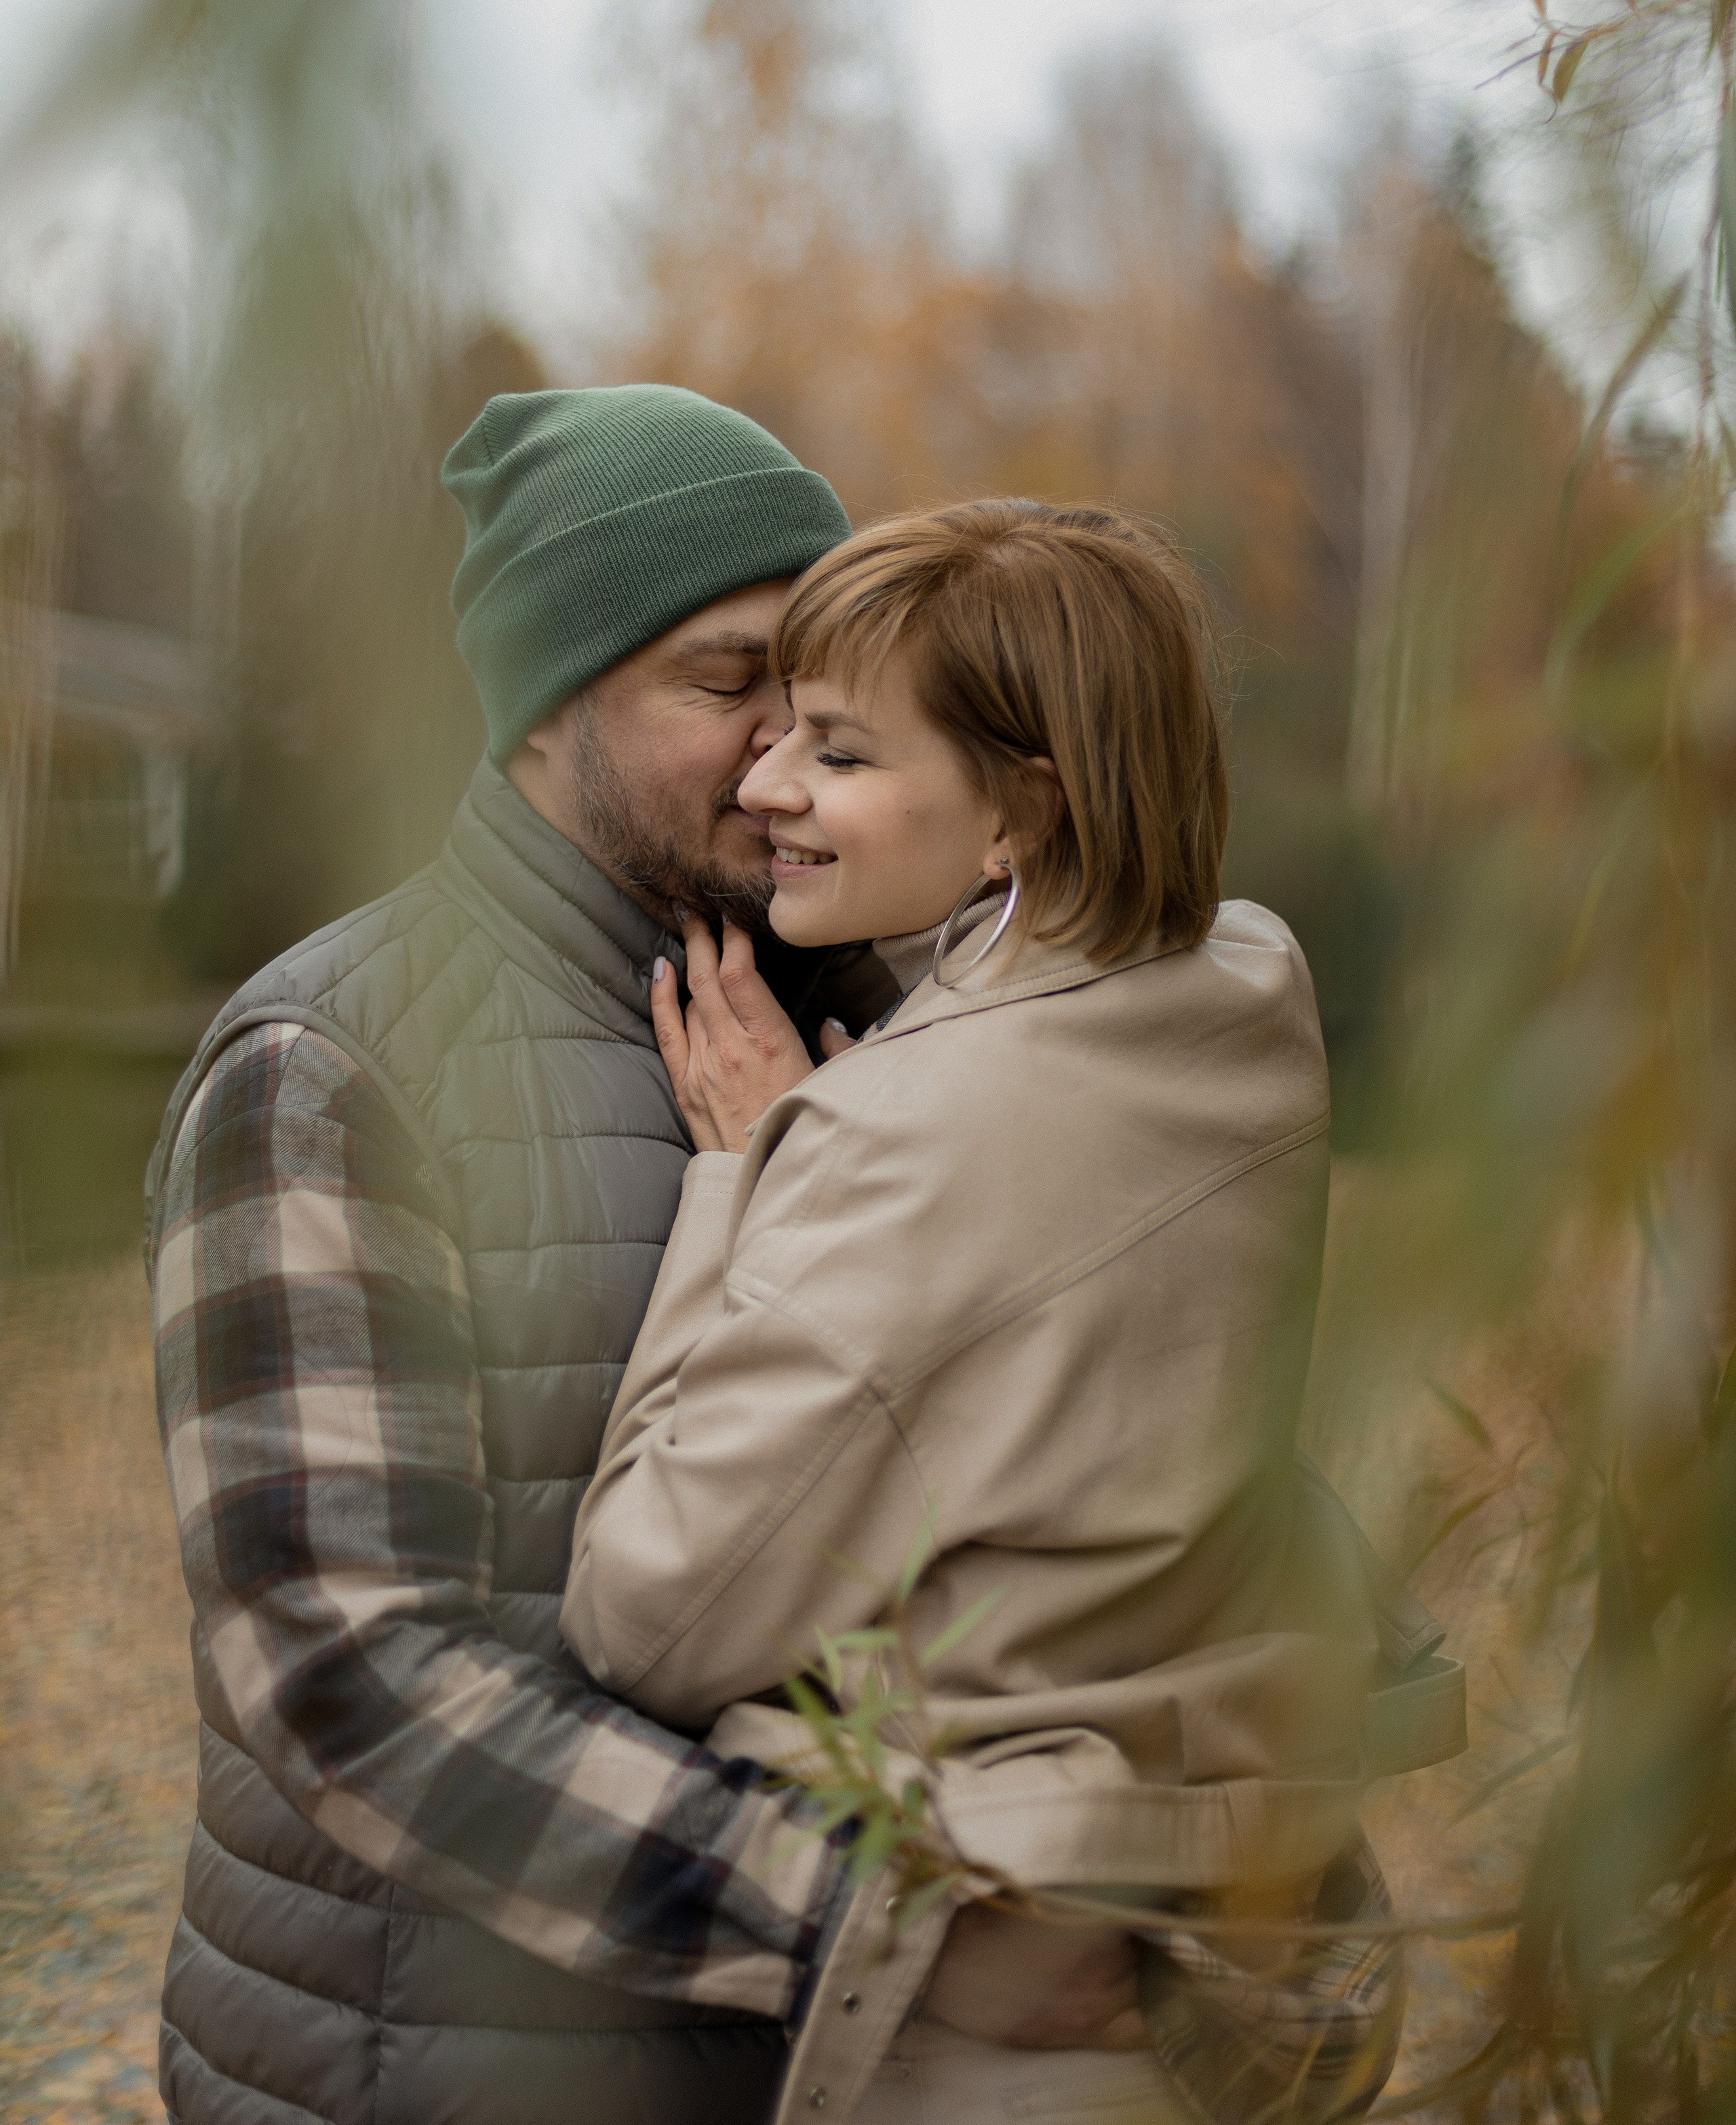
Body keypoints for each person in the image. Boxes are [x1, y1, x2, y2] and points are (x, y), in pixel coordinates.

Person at [144, 393, 1145, 2125]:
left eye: (821, 686)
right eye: (725, 682)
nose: (786, 755)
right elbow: (347, 1677)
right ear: (547, 703)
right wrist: (880, 1920)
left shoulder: (917, 1018)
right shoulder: (332, 1067)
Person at [564, 498, 1442, 2125]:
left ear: (1021, 811)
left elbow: (647, 1619)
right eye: (776, 729)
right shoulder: (1248, 985)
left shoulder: (903, 1141)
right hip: (1194, 1905)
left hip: (988, 2003)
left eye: (836, 751)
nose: (764, 785)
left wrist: (745, 1175)